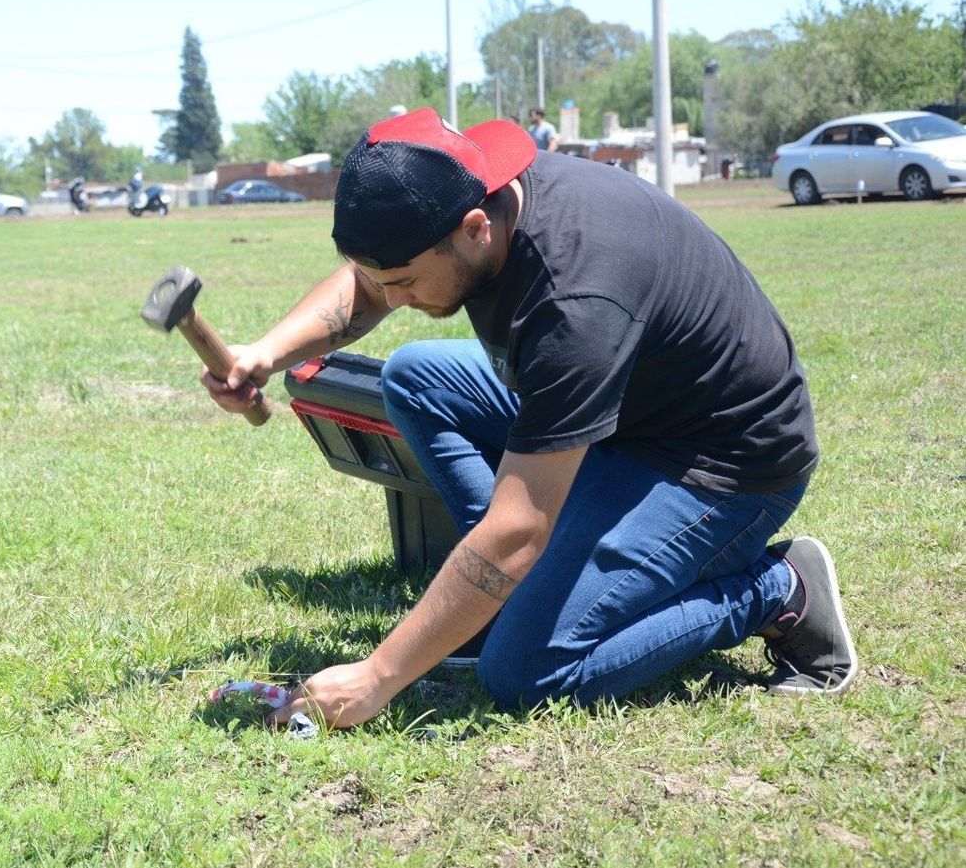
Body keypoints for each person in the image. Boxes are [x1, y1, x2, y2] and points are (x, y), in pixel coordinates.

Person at [202, 107, 855, 730]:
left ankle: (777, 589)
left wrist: (378, 676)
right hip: (624, 405)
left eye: (403, 281)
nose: (389, 298)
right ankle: (510, 599)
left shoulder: (575, 299)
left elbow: (519, 530)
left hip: (720, 462)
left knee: (526, 669)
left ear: (475, 229)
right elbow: (370, 283)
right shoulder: (473, 195)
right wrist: (264, 353)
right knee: (415, 378)